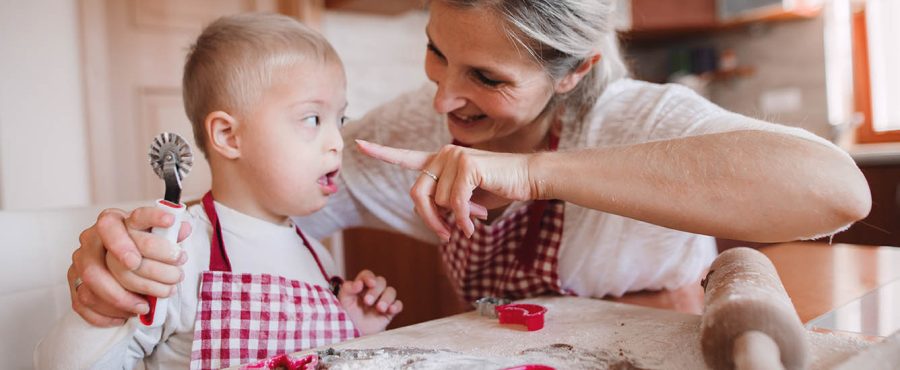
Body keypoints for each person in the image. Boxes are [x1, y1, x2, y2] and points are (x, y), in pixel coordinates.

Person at [69, 0, 869, 327]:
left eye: (486, 79)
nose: (445, 100)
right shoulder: (412, 127)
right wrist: (133, 249)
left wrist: (535, 175)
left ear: (576, 71)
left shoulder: (639, 119)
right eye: (436, 53)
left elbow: (836, 191)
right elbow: (248, 202)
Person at [35, 13, 403, 370]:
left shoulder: (319, 259)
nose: (338, 141)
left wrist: (351, 324)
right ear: (229, 136)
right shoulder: (174, 255)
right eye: (312, 119)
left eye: (341, 120)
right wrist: (102, 312)